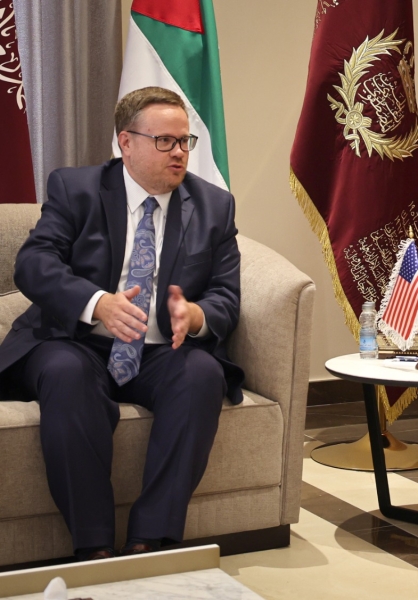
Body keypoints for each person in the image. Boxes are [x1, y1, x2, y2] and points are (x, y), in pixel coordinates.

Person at [0, 86, 243, 561]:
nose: (179, 152)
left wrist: (196, 316)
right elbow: (33, 263)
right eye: (164, 141)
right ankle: (92, 546)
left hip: (160, 352)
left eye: (184, 141)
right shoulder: (76, 189)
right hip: (78, 342)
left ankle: (150, 540)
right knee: (66, 374)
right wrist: (97, 304)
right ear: (125, 143)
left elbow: (226, 296)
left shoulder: (214, 206)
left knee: (202, 374)